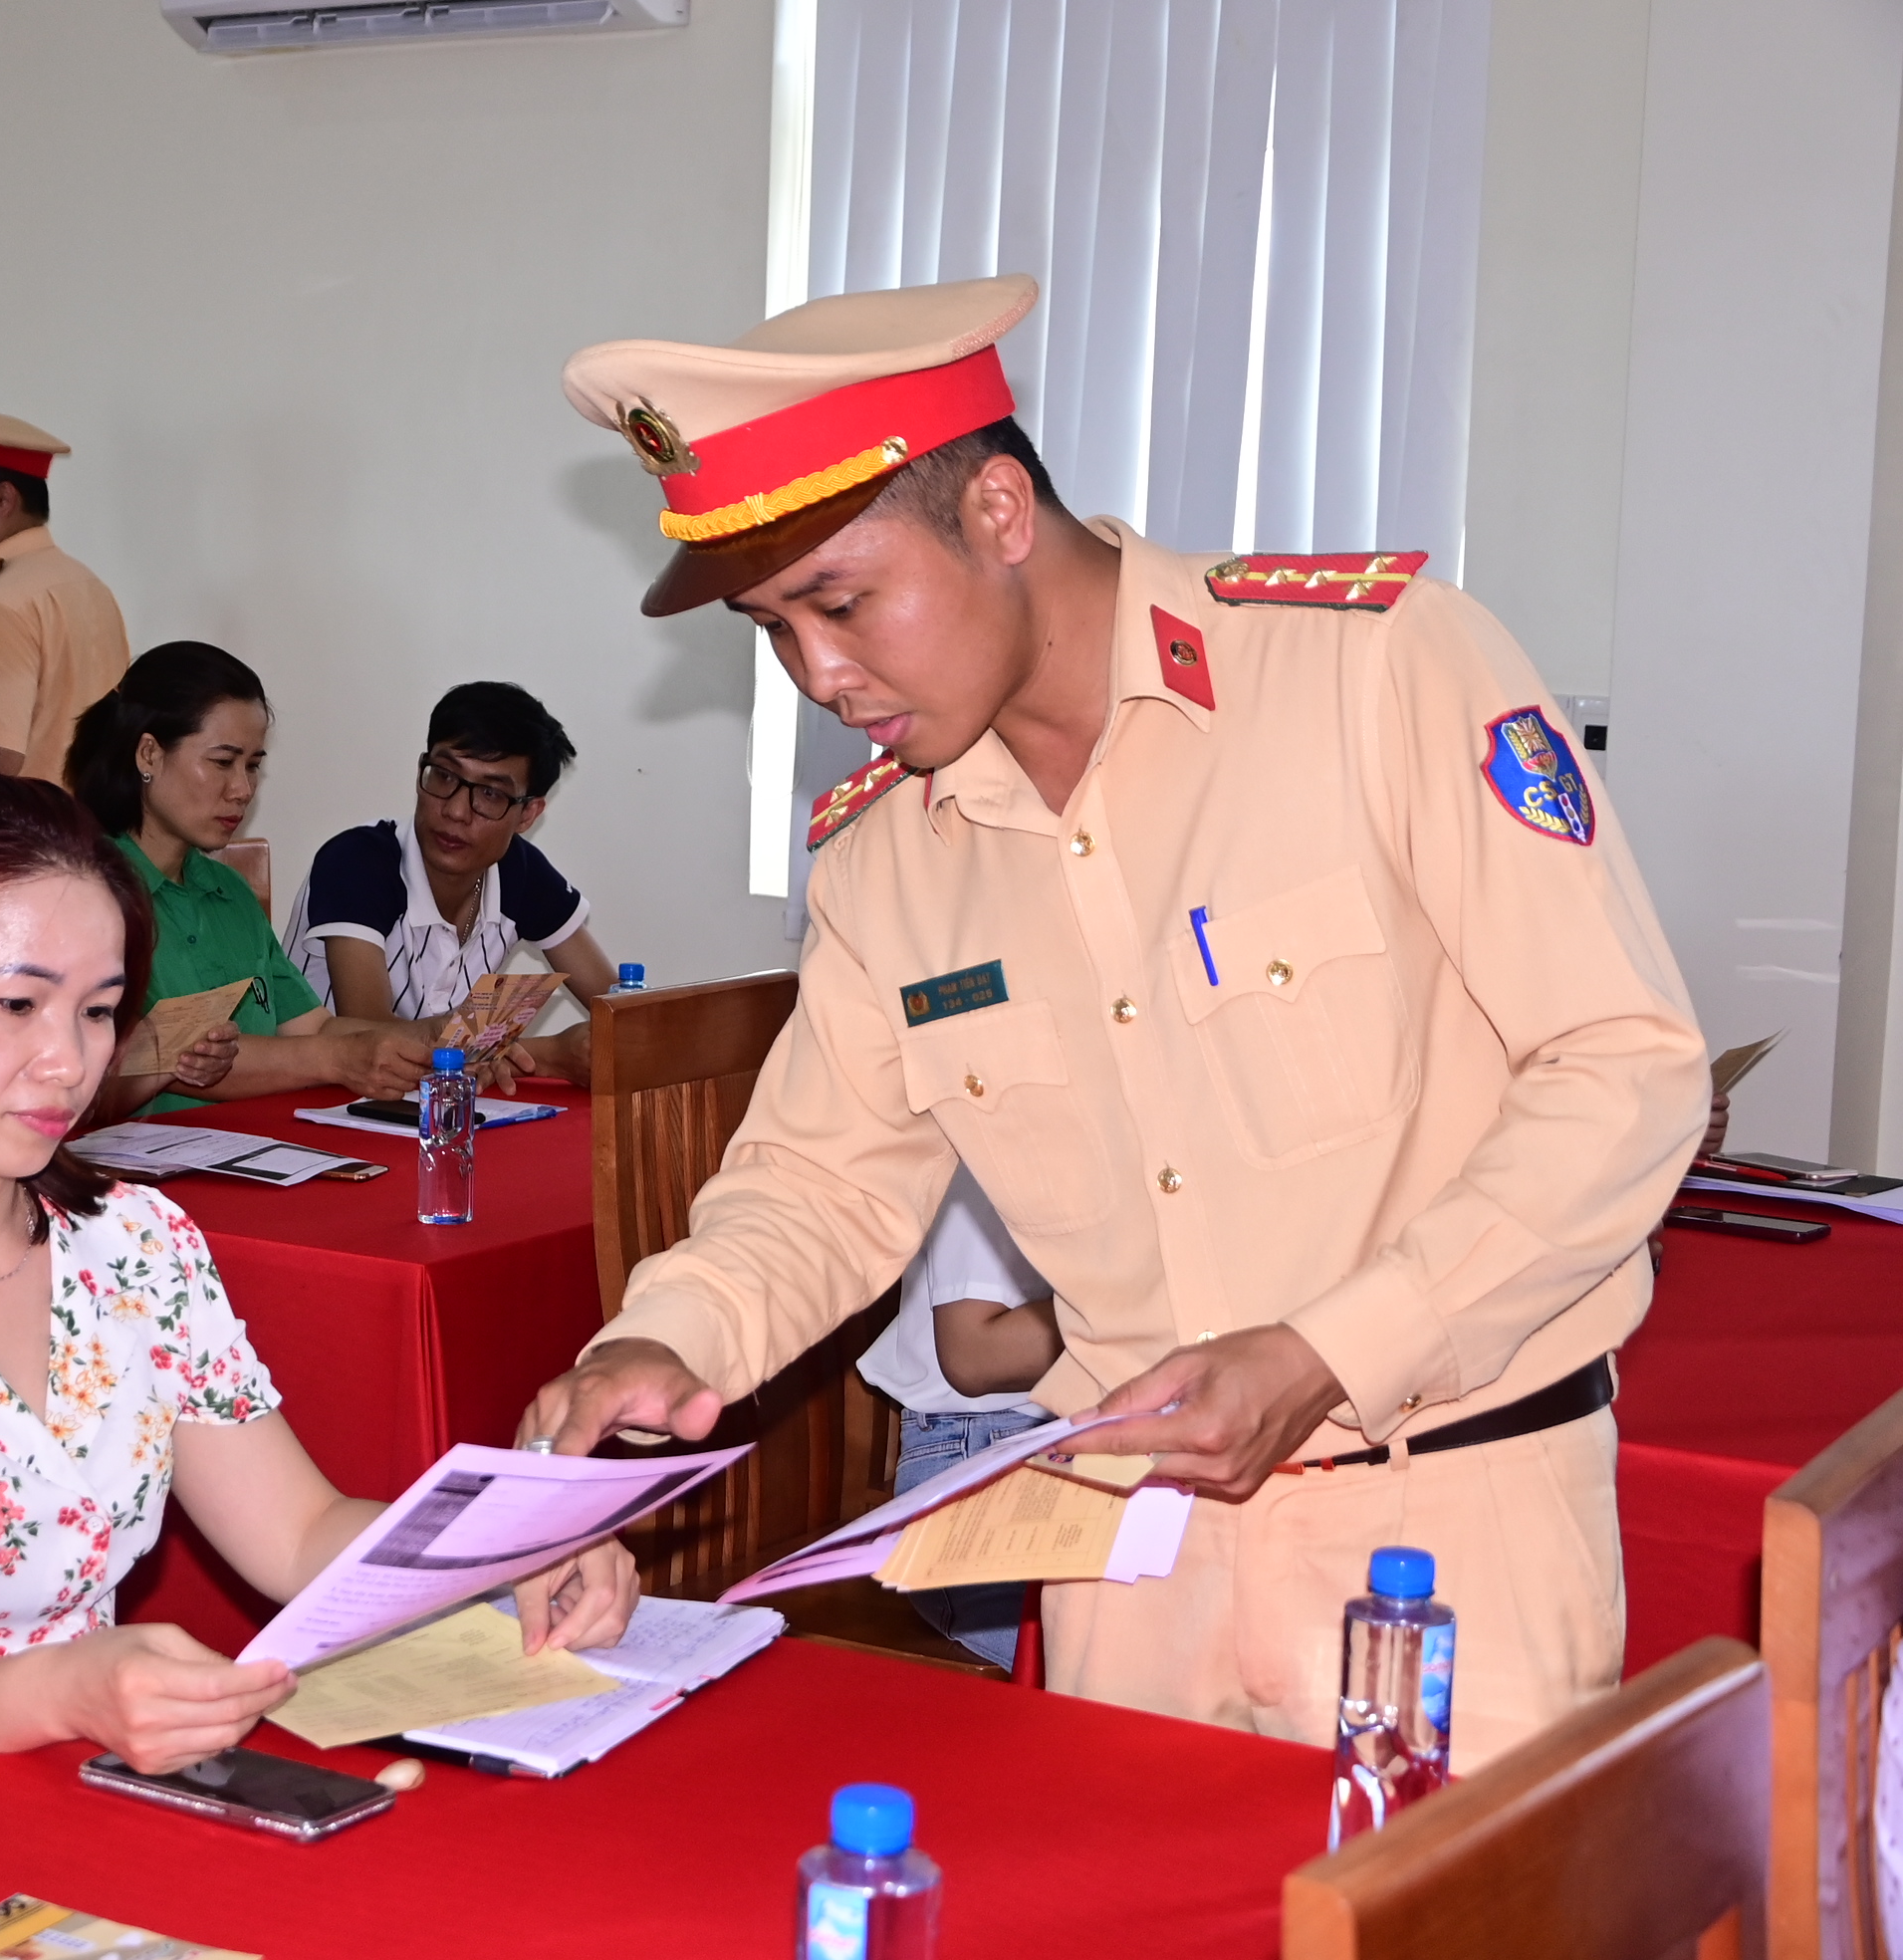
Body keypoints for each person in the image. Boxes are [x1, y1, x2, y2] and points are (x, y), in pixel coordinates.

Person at [517, 275, 1707, 1770]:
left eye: (840, 600)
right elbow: (818, 1185)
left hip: (1446, 1530)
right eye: (772, 626)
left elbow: (1624, 1070)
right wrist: (660, 1340)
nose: (819, 674)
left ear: (1001, 511)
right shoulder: (891, 858)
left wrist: (1334, 1350)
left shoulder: (1375, 672)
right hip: (1128, 1561)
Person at [0, 774, 635, 1775]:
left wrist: (507, 1549)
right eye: (15, 1004)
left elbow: (299, 1531)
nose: (66, 1062)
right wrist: (59, 1692)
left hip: (99, 1775)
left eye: (98, 1011)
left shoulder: (131, 1245)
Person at [65, 643, 432, 1115]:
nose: (243, 789)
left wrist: (438, 1042)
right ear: (149, 754)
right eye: (222, 762)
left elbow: (311, 1028)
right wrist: (338, 1060)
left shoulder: (229, 891)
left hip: (260, 1155)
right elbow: (126, 1065)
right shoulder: (87, 891)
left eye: (253, 765)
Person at [283, 681, 618, 1085]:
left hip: (426, 1111)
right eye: (443, 776)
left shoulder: (520, 872)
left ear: (528, 815)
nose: (457, 810)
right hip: (319, 1104)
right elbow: (369, 1036)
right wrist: (549, 1056)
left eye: (491, 794)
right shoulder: (358, 861)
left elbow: (625, 1009)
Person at [857, 1170, 1061, 1669]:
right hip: (976, 1456)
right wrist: (1146, 1317)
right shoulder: (989, 1155)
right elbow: (974, 1355)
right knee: (1108, 1674)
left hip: (1077, 1441)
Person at [0, 386, 129, 787]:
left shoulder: (3, 601)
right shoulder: (86, 584)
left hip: (29, 841)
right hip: (96, 838)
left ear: (3, 500)